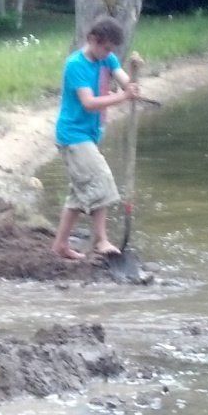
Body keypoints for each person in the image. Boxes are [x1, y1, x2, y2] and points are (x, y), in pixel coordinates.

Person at [52, 16, 139, 262]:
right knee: (101, 179)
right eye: (106, 48)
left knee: (79, 194)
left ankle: (60, 245)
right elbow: (89, 103)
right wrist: (122, 97)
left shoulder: (107, 59)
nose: (108, 53)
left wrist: (132, 83)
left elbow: (124, 79)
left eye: (112, 49)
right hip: (73, 136)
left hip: (90, 134)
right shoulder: (76, 65)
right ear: (92, 40)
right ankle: (101, 240)